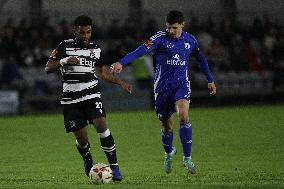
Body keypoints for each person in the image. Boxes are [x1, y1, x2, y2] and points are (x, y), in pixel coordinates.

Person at [111, 10, 216, 174]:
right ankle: (168, 154)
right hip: (162, 88)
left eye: (174, 27)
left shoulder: (190, 40)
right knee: (167, 127)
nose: (171, 31)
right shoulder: (159, 38)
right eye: (168, 27)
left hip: (181, 85)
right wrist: (122, 62)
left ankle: (187, 159)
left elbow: (201, 58)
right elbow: (140, 50)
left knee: (183, 116)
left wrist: (210, 79)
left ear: (182, 25)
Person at [45, 15, 132, 181]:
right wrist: (64, 61)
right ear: (75, 31)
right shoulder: (64, 46)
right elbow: (48, 68)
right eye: (82, 32)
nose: (85, 36)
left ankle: (115, 167)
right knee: (82, 139)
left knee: (101, 124)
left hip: (92, 94)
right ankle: (87, 159)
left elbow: (101, 73)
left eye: (88, 32)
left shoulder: (96, 49)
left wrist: (121, 83)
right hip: (71, 99)